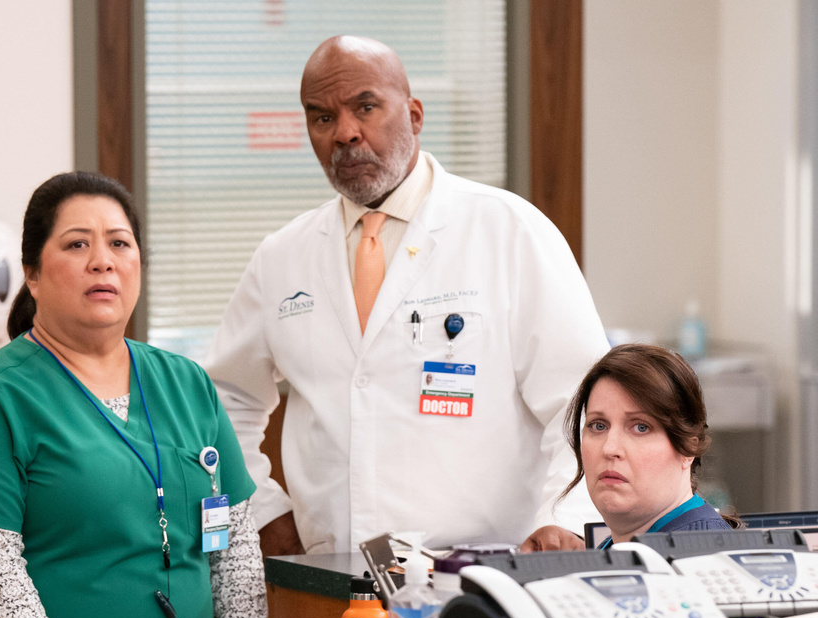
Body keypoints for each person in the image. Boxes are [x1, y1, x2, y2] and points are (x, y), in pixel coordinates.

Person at [204, 35, 610, 557]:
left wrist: (565, 521)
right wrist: (263, 513)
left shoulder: (509, 230)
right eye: (322, 117)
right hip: (333, 578)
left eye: (365, 107)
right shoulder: (283, 256)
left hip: (485, 573)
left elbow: (584, 400)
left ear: (414, 115)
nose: (345, 133)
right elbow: (223, 402)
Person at [0, 171, 266, 618]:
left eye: (119, 243)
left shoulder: (188, 384)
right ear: (32, 274)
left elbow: (236, 554)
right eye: (77, 243)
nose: (102, 260)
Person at [558, 344, 733, 548]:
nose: (610, 449)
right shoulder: (623, 546)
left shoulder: (698, 556)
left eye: (641, 427)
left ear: (688, 448)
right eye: (598, 426)